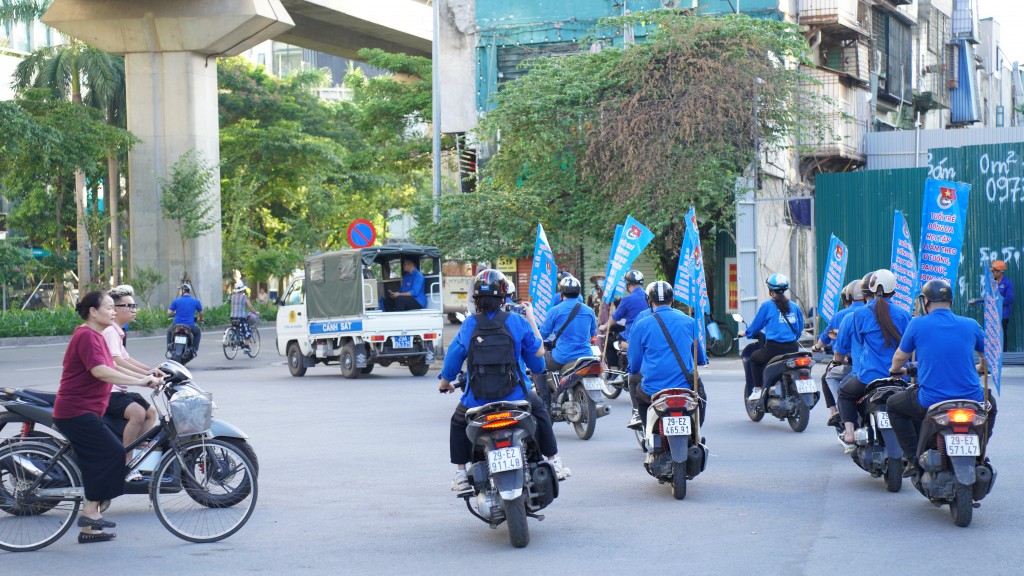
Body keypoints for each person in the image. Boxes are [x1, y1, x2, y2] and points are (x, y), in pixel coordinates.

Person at [438, 269, 570, 491]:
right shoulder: (516, 321)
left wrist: (445, 383)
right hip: (516, 396)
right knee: (540, 411)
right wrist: (532, 321)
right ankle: (554, 461)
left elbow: (452, 360)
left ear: (476, 299)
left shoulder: (469, 325)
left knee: (458, 422)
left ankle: (460, 474)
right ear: (503, 297)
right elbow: (538, 357)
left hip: (476, 400)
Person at [54, 291, 161, 544]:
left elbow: (115, 364)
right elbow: (101, 371)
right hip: (76, 411)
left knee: (98, 459)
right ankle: (90, 510)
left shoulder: (98, 336)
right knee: (113, 453)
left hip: (87, 409)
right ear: (93, 311)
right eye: (110, 307)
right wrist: (141, 380)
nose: (115, 311)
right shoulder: (86, 336)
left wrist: (147, 374)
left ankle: (90, 530)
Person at [887, 279, 997, 477]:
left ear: (926, 301)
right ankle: (980, 450)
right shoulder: (970, 324)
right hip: (973, 399)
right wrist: (979, 368)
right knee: (992, 405)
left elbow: (899, 357)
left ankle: (913, 459)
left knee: (894, 405)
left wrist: (895, 371)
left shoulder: (917, 323)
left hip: (931, 400)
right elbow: (988, 357)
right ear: (951, 301)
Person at [835, 269, 911, 450]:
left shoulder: (859, 314)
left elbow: (860, 343)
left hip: (869, 377)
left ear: (869, 288)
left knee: (844, 393)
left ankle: (849, 433)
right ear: (893, 291)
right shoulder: (904, 315)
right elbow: (910, 347)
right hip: (899, 378)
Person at [627, 281, 708, 431]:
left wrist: (633, 369)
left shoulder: (642, 324)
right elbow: (700, 357)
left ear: (649, 301)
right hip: (686, 386)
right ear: (672, 299)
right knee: (701, 396)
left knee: (639, 395)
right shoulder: (690, 322)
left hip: (653, 387)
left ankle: (648, 434)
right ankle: (696, 431)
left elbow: (634, 360)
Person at [103, 285, 161, 481]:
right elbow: (117, 362)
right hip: (109, 391)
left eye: (134, 305)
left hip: (119, 390)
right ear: (116, 309)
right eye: (129, 306)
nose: (134, 309)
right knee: (137, 412)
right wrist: (142, 380)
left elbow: (127, 359)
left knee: (151, 412)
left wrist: (150, 371)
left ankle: (133, 454)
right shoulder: (111, 331)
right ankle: (126, 463)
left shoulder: (118, 332)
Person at [533, 275, 598, 403]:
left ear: (561, 293)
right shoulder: (589, 310)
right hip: (586, 356)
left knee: (537, 362)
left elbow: (542, 335)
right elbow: (592, 334)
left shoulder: (555, 310)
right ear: (579, 292)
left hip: (562, 357)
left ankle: (545, 402)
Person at [740, 273, 804, 399]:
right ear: (785, 289)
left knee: (754, 359)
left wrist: (747, 333)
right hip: (793, 349)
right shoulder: (795, 307)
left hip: (773, 350)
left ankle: (757, 389)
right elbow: (799, 329)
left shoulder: (767, 306)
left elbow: (756, 325)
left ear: (770, 290)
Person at [812, 279, 866, 426]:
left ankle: (838, 412)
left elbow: (837, 346)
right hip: (889, 369)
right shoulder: (884, 315)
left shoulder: (846, 316)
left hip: (858, 367)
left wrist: (818, 348)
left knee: (829, 377)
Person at [167, 283, 203, 354]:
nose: (179, 292)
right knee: (197, 332)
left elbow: (169, 312)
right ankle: (194, 350)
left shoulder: (176, 301)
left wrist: (175, 314)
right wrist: (199, 318)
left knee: (169, 332)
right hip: (190, 325)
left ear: (184, 291)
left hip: (176, 325)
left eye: (180, 290)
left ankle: (169, 349)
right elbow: (201, 313)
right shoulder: (195, 301)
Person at [229, 281, 260, 354]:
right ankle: (246, 346)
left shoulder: (232, 297)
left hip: (233, 317)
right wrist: (255, 312)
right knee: (247, 331)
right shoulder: (244, 296)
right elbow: (250, 306)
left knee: (236, 328)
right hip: (241, 317)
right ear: (242, 289)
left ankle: (234, 339)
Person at [990, 260, 1014, 351]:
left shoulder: (1007, 283)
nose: (992, 273)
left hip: (1003, 315)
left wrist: (996, 301)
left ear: (1000, 271)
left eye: (993, 271)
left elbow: (1009, 299)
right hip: (992, 314)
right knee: (993, 336)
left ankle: (1003, 356)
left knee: (1002, 336)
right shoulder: (992, 283)